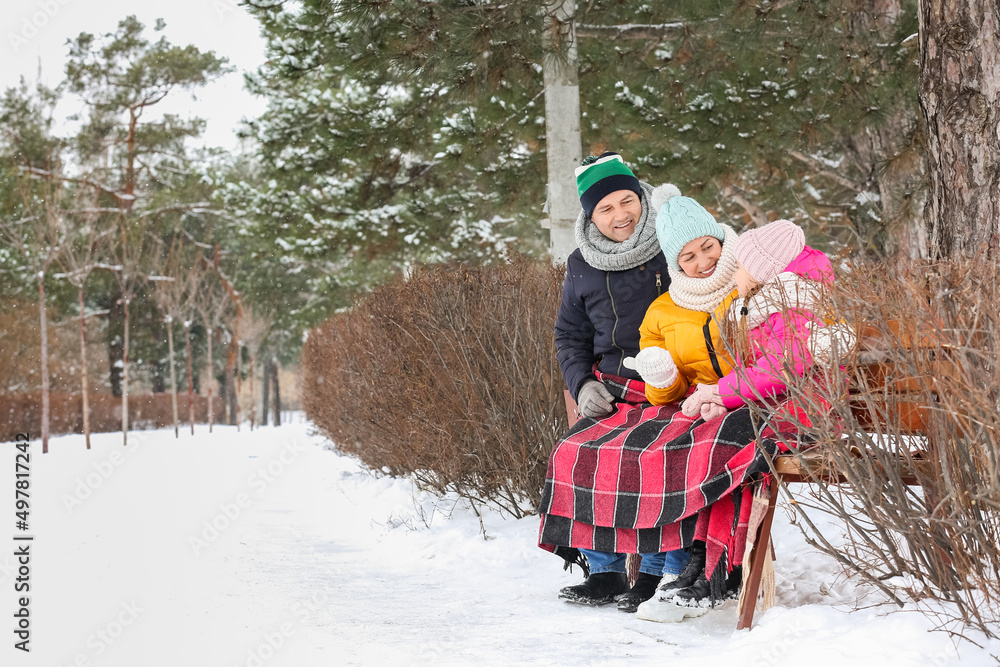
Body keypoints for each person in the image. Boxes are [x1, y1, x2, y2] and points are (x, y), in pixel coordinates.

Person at [629, 215, 837, 621]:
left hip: (803, 418)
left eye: (740, 265)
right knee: (709, 439)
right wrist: (721, 401)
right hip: (781, 411)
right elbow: (763, 371)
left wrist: (721, 394)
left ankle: (720, 571)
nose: (733, 272)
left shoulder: (790, 301)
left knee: (725, 450)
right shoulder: (777, 298)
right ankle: (701, 561)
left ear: (761, 270)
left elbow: (780, 367)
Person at [550, 151, 690, 612]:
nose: (620, 215)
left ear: (642, 198)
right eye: (605, 208)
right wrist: (582, 383)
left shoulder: (672, 243)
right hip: (613, 388)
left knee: (651, 456)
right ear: (591, 215)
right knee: (578, 451)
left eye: (627, 201)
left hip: (675, 384)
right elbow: (570, 334)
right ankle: (605, 570)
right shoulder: (581, 263)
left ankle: (654, 573)